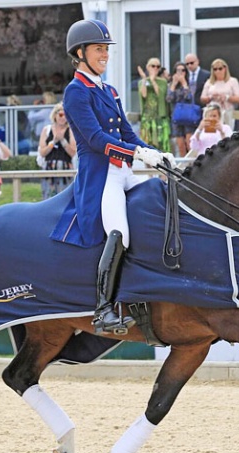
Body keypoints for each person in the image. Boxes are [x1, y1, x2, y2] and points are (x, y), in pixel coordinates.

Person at [50, 19, 175, 335]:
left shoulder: (110, 89)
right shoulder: (76, 91)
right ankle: (103, 309)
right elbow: (94, 138)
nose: (104, 54)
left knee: (161, 203)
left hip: (126, 172)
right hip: (101, 175)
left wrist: (154, 153)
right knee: (120, 232)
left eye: (106, 49)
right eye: (98, 49)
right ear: (80, 53)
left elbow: (126, 132)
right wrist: (136, 154)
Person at [37, 102, 77, 200]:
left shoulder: (71, 130)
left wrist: (63, 141)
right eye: (60, 115)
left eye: (65, 115)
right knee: (47, 196)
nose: (63, 117)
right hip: (49, 167)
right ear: (55, 115)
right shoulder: (47, 129)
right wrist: (53, 142)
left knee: (64, 197)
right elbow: (42, 152)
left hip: (65, 168)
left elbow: (73, 152)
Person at [137, 57, 171, 152]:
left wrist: (153, 80)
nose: (155, 68)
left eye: (158, 66)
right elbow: (143, 94)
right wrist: (144, 79)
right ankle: (148, 167)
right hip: (147, 117)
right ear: (148, 67)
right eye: (153, 66)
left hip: (159, 117)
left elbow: (160, 94)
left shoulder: (162, 81)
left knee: (161, 144)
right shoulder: (142, 82)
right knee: (147, 144)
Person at [201, 58, 239, 130]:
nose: (218, 71)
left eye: (220, 68)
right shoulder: (209, 82)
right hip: (212, 113)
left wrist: (226, 97)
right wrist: (211, 97)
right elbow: (202, 98)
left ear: (225, 68)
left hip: (227, 111)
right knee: (212, 134)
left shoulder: (233, 81)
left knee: (227, 133)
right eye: (215, 69)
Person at [166, 61, 195, 157]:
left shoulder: (190, 84)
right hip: (176, 117)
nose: (181, 73)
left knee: (189, 143)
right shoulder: (171, 85)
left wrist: (184, 83)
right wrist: (173, 85)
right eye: (178, 70)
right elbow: (169, 99)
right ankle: (184, 169)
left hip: (188, 116)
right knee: (181, 146)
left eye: (183, 70)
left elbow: (189, 97)